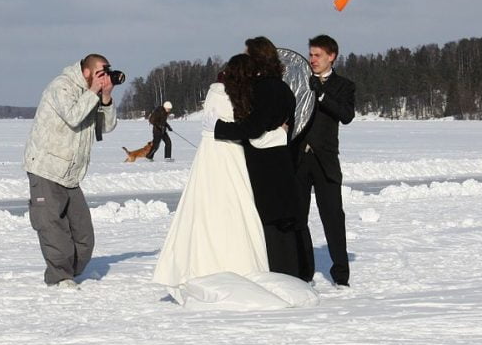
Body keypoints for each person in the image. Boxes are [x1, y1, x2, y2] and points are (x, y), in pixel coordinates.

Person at [152, 54, 268, 287]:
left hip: (209, 155)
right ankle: (239, 263)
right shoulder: (229, 95)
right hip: (228, 152)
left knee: (205, 206)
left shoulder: (215, 92)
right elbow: (242, 124)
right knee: (234, 204)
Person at [23, 54, 117, 288]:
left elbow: (106, 126)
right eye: (101, 72)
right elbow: (74, 117)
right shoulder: (61, 87)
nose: (104, 77)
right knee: (53, 230)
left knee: (84, 237)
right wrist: (93, 91)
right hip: (46, 168)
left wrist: (105, 96)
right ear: (87, 72)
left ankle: (68, 273)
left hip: (71, 175)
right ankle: (59, 278)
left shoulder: (92, 94)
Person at [214, 37, 304, 278]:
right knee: (284, 223)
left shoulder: (261, 88)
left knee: (270, 224)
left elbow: (253, 128)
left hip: (263, 164)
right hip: (282, 160)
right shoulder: (284, 88)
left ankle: (282, 278)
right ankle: (294, 274)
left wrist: (219, 129)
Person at [294, 34, 355, 287]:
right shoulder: (299, 83)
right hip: (298, 158)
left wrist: (321, 95)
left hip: (326, 161)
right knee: (297, 217)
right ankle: (304, 272)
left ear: (332, 57)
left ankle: (340, 275)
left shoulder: (344, 85)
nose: (312, 60)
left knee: (332, 217)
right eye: (310, 55)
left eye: (317, 55)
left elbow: (346, 115)